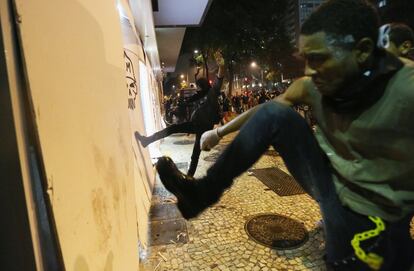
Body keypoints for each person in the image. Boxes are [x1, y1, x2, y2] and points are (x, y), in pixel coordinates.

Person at [155, 0, 414, 270]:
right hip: (330, 185)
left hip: (375, 216)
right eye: (307, 60)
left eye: (320, 59)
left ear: (361, 51)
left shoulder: (405, 89)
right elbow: (265, 111)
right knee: (276, 115)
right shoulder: (313, 86)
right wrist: (219, 132)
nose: (310, 72)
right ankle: (202, 194)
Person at [135, 52, 225, 176]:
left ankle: (189, 177)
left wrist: (222, 66)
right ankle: (147, 140)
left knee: (195, 153)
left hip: (203, 128)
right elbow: (191, 106)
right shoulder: (198, 96)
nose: (197, 89)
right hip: (195, 124)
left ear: (202, 86)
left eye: (198, 86)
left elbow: (219, 79)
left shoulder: (212, 93)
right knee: (172, 129)